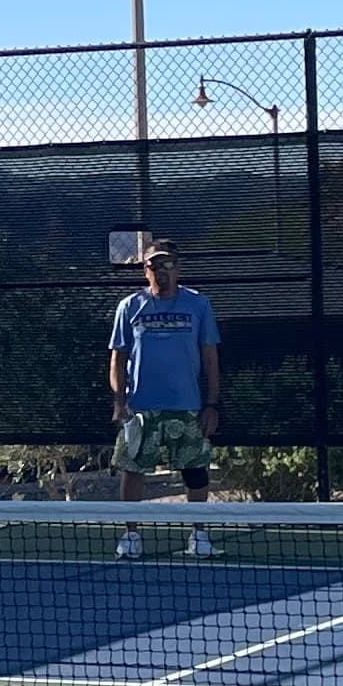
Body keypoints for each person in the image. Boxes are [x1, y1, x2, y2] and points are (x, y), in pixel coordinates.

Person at [107, 238, 222, 559]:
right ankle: (131, 536)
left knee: (196, 470)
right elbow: (117, 358)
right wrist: (120, 400)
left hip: (187, 406)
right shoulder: (129, 307)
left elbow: (210, 356)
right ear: (145, 271)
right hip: (141, 408)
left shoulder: (198, 305)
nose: (162, 271)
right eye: (154, 265)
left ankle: (199, 536)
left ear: (179, 267)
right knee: (133, 470)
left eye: (168, 264)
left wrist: (212, 404)